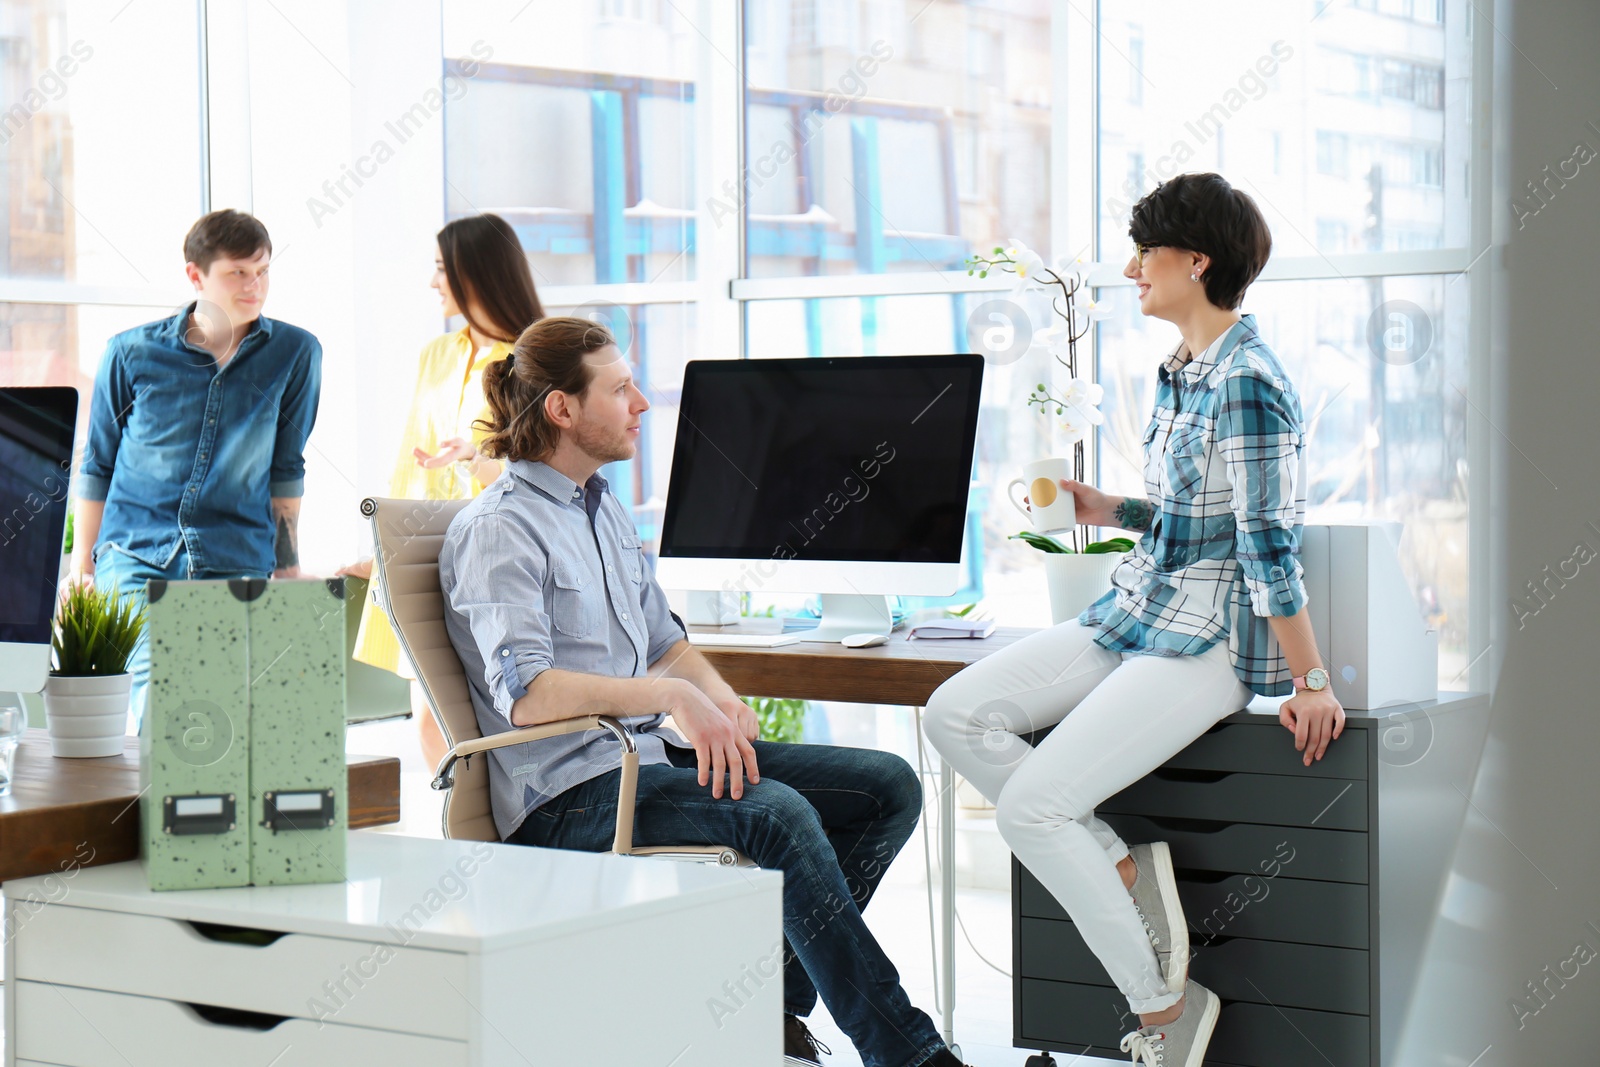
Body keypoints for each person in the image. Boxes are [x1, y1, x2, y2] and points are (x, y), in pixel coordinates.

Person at [438, 316, 975, 1067]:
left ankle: (771, 1011)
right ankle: (910, 1055)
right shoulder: (500, 529)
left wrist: (718, 702)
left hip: (642, 763)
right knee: (778, 814)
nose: (641, 403)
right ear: (562, 409)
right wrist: (668, 697)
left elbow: (668, 642)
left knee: (885, 785)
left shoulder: (601, 509)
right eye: (620, 388)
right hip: (569, 797)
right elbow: (527, 694)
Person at [923, 173, 1346, 1067]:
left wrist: (1310, 680)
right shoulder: (1182, 372)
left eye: (1146, 251)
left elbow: (1268, 546)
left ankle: (1166, 1009)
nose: (1130, 267)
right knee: (953, 713)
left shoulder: (1251, 384)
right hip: (1139, 607)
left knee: (1033, 810)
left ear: (1196, 261)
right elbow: (1195, 520)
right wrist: (1107, 506)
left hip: (1208, 639)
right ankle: (1118, 862)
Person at [71, 209, 321, 734]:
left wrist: (288, 565)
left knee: (220, 721)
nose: (255, 286)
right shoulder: (130, 353)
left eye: (263, 271)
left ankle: (205, 817)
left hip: (235, 554)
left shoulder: (295, 353)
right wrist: (83, 567)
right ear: (196, 275)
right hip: (136, 555)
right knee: (159, 708)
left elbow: (285, 468)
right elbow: (98, 464)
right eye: (238, 273)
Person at [339, 213, 543, 772]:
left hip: (491, 558)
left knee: (475, 721)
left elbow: (541, 477)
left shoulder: (530, 362)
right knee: (430, 723)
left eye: (440, 269)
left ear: (474, 274)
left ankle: (494, 845)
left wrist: (476, 461)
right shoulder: (437, 354)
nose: (434, 283)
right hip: (424, 552)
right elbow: (412, 459)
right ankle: (463, 844)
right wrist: (385, 551)